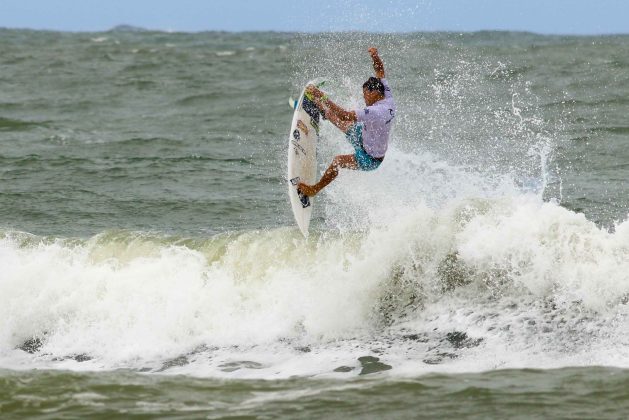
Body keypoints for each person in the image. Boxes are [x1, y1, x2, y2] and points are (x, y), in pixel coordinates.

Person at [297, 47, 396, 197]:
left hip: (369, 158)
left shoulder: (375, 112)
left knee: (337, 161)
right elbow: (380, 71)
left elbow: (344, 115)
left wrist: (322, 96)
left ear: (374, 93)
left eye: (365, 95)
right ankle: (319, 107)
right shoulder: (387, 96)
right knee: (335, 119)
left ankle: (313, 190)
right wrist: (375, 57)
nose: (364, 98)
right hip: (364, 137)